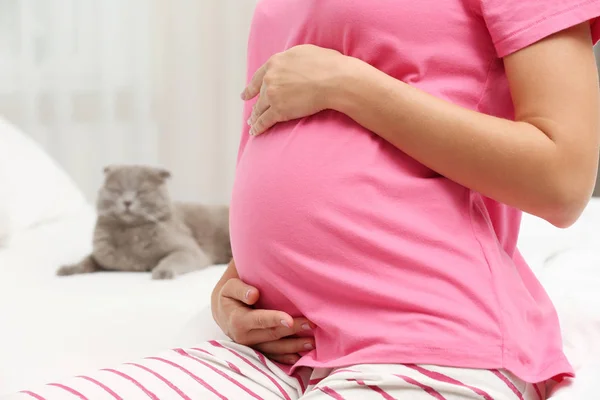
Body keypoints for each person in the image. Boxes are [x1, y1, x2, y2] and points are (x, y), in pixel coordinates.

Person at [7, 0, 600, 399]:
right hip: (276, 350)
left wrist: (349, 84)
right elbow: (280, 139)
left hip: (428, 337)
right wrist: (236, 284)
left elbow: (563, 179)